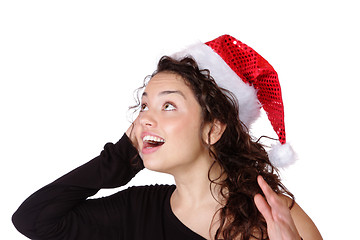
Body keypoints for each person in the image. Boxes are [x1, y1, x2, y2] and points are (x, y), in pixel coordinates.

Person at [12, 35, 322, 240]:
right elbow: (33, 219)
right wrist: (120, 158)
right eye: (145, 105)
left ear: (213, 129)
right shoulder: (136, 211)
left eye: (169, 105)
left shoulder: (276, 215)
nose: (144, 117)